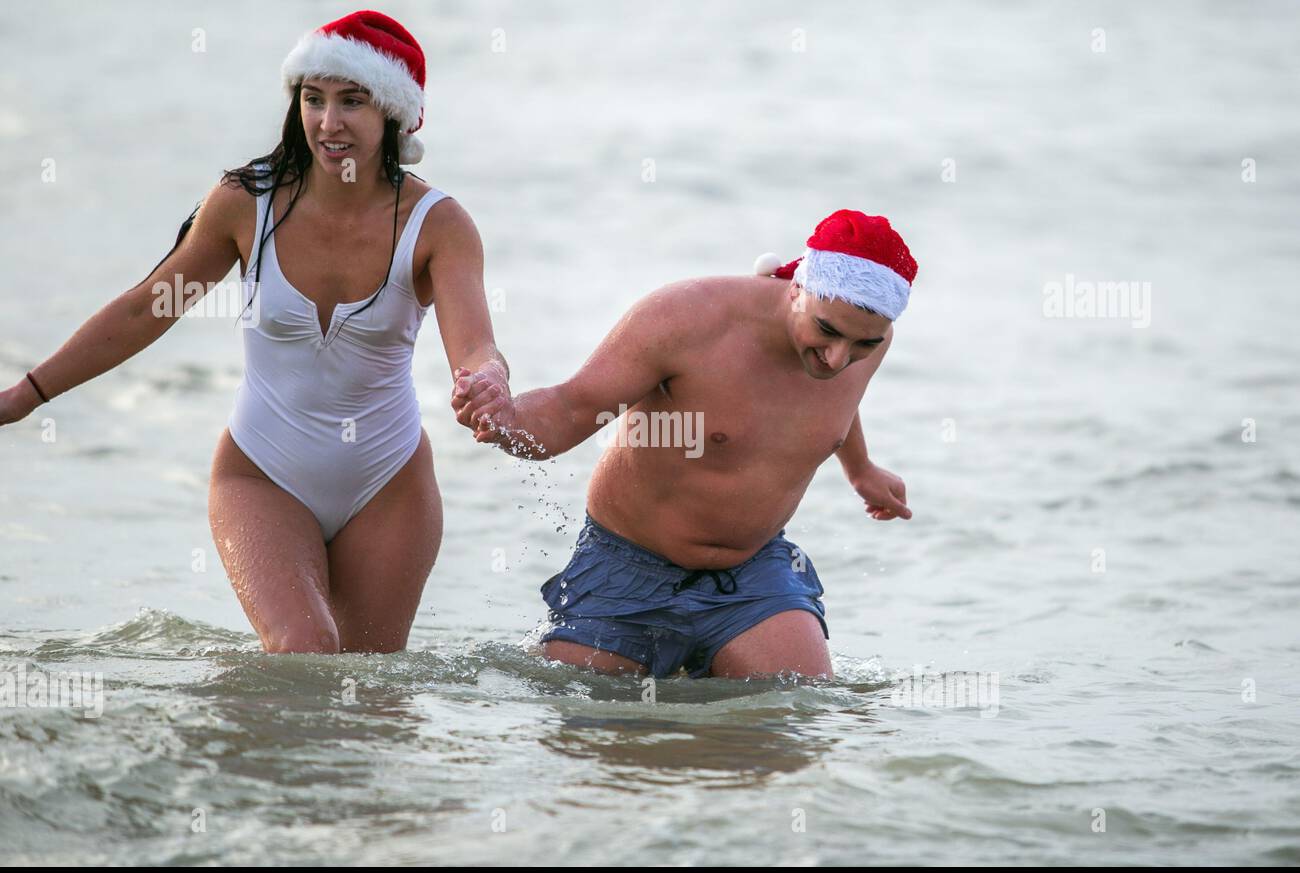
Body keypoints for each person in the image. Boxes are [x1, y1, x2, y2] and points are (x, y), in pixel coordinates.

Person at [0, 11, 509, 654]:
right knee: (303, 650)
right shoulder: (248, 203)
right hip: (263, 473)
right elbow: (144, 310)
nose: (329, 123)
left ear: (392, 114)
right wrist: (24, 396)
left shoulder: (438, 224)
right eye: (313, 99)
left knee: (375, 698)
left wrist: (487, 382)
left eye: (352, 101)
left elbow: (476, 347)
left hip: (390, 483)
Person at [451, 210, 917, 680]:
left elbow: (829, 404)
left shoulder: (865, 333)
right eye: (828, 332)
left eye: (863, 346)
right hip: (625, 569)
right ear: (796, 288)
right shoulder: (687, 318)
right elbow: (572, 407)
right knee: (590, 729)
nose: (840, 360)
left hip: (752, 573)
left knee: (795, 710)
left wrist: (861, 469)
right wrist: (506, 419)